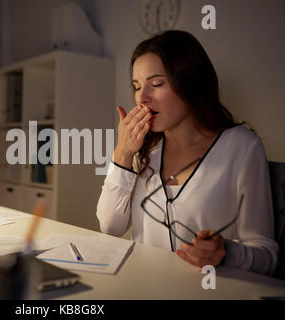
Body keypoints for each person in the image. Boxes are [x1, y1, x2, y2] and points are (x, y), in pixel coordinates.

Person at [96, 30, 278, 276]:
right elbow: (110, 227)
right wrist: (123, 155)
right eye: (137, 87)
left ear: (190, 82)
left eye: (157, 84)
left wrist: (226, 252)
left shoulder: (242, 146)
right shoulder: (145, 148)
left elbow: (267, 255)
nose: (142, 98)